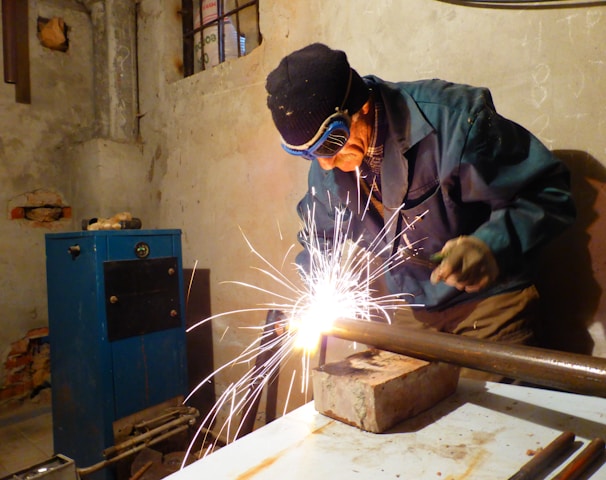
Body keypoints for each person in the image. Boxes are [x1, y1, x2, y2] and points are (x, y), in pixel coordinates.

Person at [265, 43, 576, 350]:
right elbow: (319, 240)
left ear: (360, 107)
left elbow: (548, 192)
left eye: (330, 144)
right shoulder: (328, 165)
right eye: (309, 153)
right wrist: (315, 292)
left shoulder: (453, 122)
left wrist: (492, 245)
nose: (325, 163)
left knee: (494, 400)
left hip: (490, 304)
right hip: (414, 312)